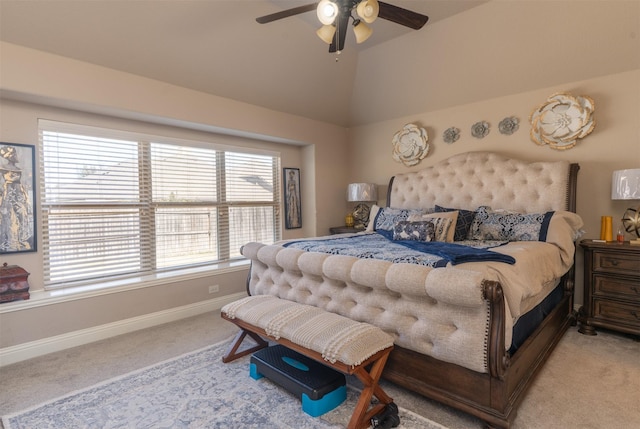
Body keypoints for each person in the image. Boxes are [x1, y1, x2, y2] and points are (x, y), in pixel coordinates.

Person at [0, 146, 33, 252]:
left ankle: (21, 240)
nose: (16, 155)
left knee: (22, 215)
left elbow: (24, 183)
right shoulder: (2, 167)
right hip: (8, 192)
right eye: (14, 154)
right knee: (10, 218)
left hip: (19, 192)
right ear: (9, 156)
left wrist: (26, 197)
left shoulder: (19, 169)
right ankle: (11, 242)